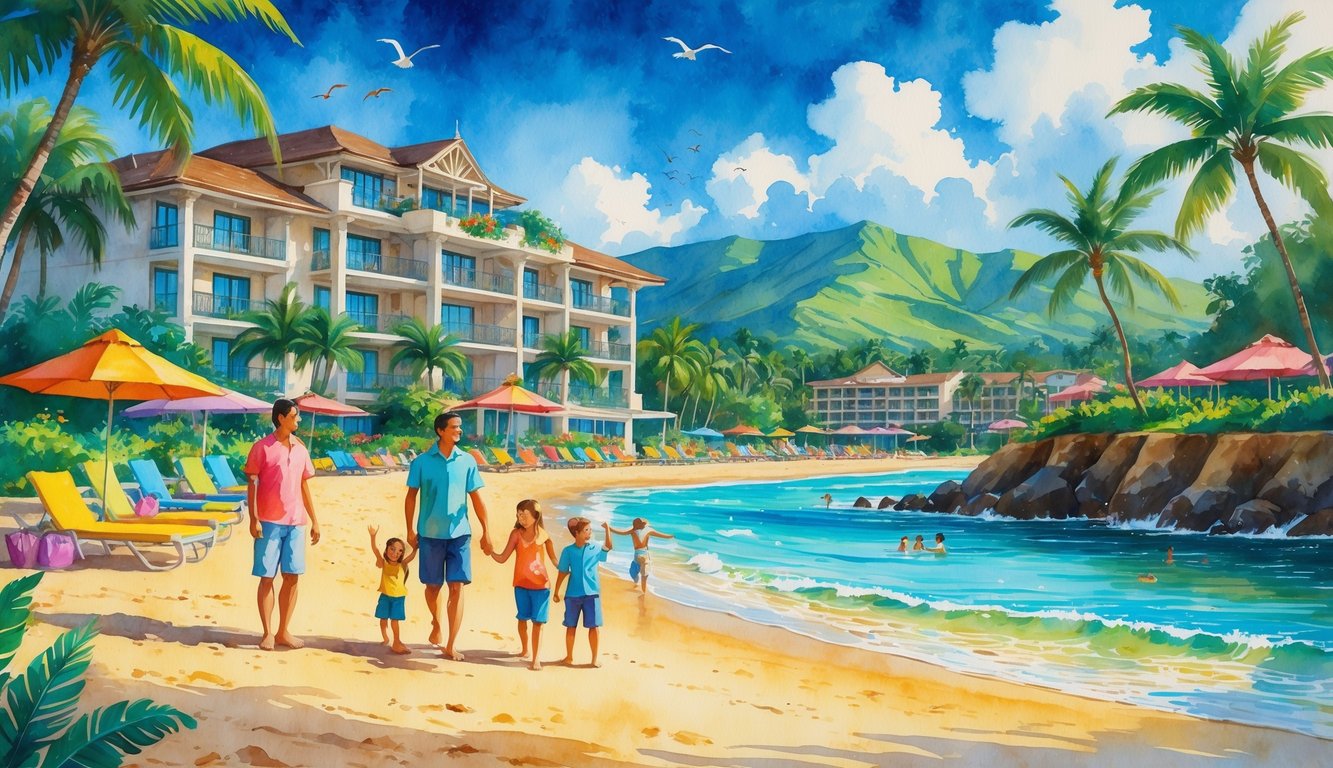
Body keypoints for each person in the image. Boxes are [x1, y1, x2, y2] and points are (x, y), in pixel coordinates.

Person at [405, 411, 492, 661]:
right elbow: (410, 497)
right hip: (430, 534)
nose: (459, 431)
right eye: (455, 427)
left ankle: (452, 644)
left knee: (457, 587)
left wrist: (486, 531)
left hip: (460, 535)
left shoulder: (467, 461)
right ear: (441, 431)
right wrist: (410, 529)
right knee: (432, 587)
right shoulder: (421, 462)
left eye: (460, 427)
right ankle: (436, 621)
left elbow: (477, 499)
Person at [245, 398, 320, 651]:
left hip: (296, 522)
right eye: (294, 416)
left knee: (292, 577)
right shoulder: (261, 448)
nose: (298, 421)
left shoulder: (300, 448)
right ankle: (266, 632)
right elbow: (252, 485)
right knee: (267, 577)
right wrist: (254, 519)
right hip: (268, 522)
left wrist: (315, 520)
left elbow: (304, 484)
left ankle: (283, 631)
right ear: (281, 418)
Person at [490, 499, 557, 670]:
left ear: (536, 515)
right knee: (522, 618)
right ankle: (525, 649)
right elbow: (502, 557)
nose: (521, 518)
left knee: (538, 622)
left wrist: (570, 569)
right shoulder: (516, 534)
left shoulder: (544, 536)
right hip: (520, 585)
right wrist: (490, 551)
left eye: (524, 515)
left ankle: (536, 658)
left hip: (542, 587)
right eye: (519, 515)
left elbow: (555, 561)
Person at [553, 517, 612, 667]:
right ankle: (569, 657)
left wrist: (607, 529)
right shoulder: (568, 551)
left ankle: (593, 659)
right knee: (570, 626)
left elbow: (608, 546)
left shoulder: (595, 548)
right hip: (573, 594)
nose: (589, 533)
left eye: (590, 530)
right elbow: (563, 572)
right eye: (586, 530)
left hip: (592, 593)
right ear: (577, 533)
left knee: (594, 626)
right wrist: (556, 591)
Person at [369, 525, 417, 654]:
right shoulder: (383, 562)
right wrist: (373, 537)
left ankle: (397, 641)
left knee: (395, 620)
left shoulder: (403, 564)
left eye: (400, 551)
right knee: (383, 618)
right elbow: (375, 550)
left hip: (398, 597)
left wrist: (416, 547)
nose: (395, 553)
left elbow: (412, 556)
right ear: (387, 549)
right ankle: (386, 638)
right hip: (385, 595)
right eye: (392, 549)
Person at [609, 517, 675, 595]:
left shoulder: (643, 531)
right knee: (635, 573)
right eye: (644, 524)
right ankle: (640, 589)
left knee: (641, 576)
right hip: (640, 555)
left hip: (643, 555)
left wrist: (609, 528)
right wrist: (609, 528)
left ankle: (643, 593)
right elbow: (661, 535)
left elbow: (621, 532)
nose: (645, 525)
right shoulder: (636, 531)